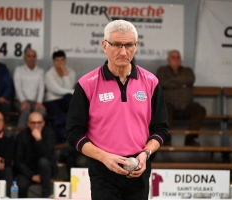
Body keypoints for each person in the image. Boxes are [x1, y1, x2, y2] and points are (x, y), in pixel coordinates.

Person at [65, 20, 168, 200]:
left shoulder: (151, 82)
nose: (123, 51)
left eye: (129, 45)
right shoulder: (86, 84)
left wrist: (145, 154)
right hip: (103, 171)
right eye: (117, 45)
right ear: (104, 45)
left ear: (136, 46)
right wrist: (104, 157)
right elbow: (74, 133)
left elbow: (160, 129)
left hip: (139, 169)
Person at [157, 50, 206, 146]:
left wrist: (172, 83)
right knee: (164, 109)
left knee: (200, 110)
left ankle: (190, 138)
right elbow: (163, 83)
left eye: (178, 57)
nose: (176, 59)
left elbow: (190, 79)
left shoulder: (187, 71)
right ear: (168, 60)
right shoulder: (162, 70)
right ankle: (166, 138)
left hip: (186, 106)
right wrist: (182, 84)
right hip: (169, 105)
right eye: (173, 57)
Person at [15, 112, 58, 198]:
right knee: (21, 184)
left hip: (47, 170)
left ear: (43, 123)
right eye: (33, 123)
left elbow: (49, 157)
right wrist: (32, 176)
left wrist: (39, 140)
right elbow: (18, 161)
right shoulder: (21, 136)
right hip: (28, 171)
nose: (36, 125)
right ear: (28, 124)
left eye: (39, 123)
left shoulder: (49, 133)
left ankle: (46, 197)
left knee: (44, 162)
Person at [44, 50, 76, 144]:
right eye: (57, 60)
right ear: (54, 61)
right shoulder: (49, 74)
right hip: (52, 100)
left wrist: (64, 74)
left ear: (65, 61)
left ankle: (71, 135)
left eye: (62, 60)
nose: (60, 63)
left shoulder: (71, 72)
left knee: (70, 102)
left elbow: (68, 89)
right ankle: (61, 139)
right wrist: (74, 91)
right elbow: (57, 90)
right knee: (61, 116)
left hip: (65, 99)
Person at [13, 48, 46, 127]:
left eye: (33, 56)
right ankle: (19, 135)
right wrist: (23, 101)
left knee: (41, 112)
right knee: (26, 111)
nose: (31, 58)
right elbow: (18, 87)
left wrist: (39, 102)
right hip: (19, 101)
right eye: (29, 56)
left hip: (35, 102)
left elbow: (41, 88)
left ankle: (38, 136)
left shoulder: (40, 71)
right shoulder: (19, 70)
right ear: (25, 58)